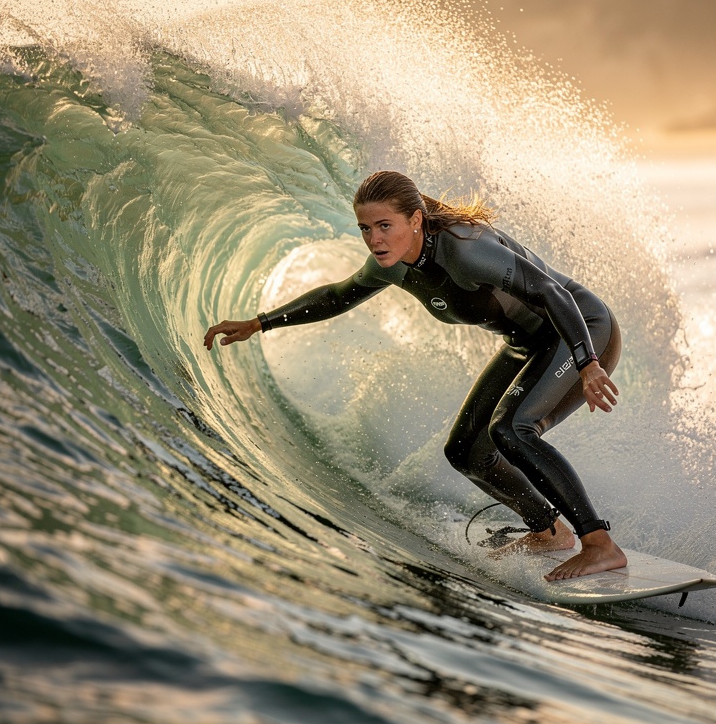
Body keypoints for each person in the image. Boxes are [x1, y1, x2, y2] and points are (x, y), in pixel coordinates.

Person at [204, 171, 625, 581]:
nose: (374, 239)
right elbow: (338, 295)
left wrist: (587, 362)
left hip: (583, 331)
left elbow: (554, 293)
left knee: (512, 431)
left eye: (385, 226)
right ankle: (549, 531)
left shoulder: (466, 249)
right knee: (465, 451)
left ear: (416, 220)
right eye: (366, 228)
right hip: (529, 345)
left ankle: (599, 544)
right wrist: (260, 323)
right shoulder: (391, 265)